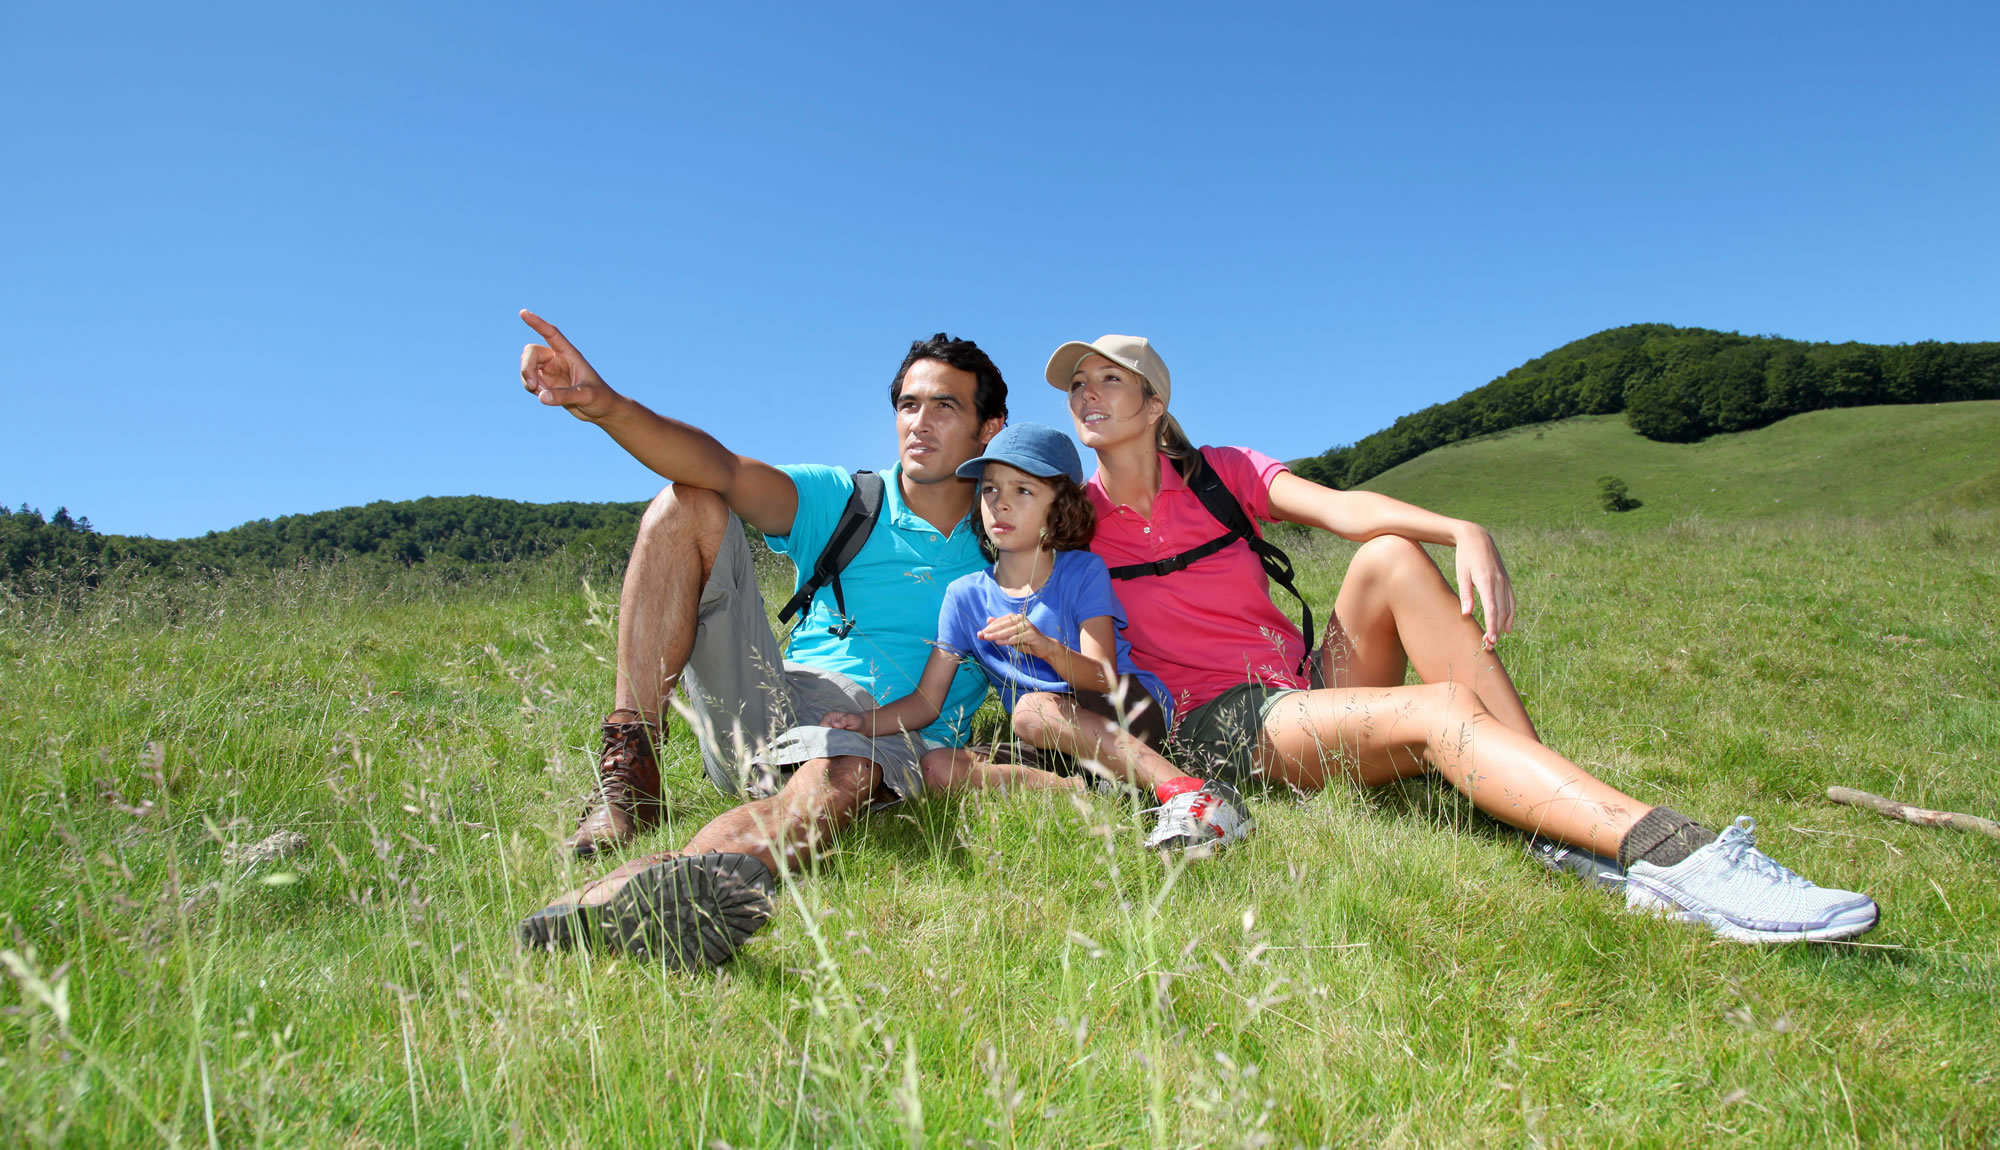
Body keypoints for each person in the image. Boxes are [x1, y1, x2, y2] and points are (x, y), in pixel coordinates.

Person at [1045, 333, 1880, 943]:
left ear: (1155, 404)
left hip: (1305, 686)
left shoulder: (1221, 473)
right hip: (1220, 723)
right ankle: (1675, 852)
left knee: (1391, 558)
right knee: (1443, 708)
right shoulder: (1077, 518)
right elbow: (998, 556)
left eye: (1107, 381)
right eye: (1076, 385)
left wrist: (1459, 527)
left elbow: (1344, 510)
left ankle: (1558, 825)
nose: (1086, 395)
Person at [511, 311, 1069, 969]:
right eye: (908, 404)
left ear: (989, 427)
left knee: (843, 768)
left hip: (887, 735)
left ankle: (659, 891)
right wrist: (608, 407)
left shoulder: (1013, 545)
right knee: (687, 501)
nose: (919, 422)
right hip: (772, 705)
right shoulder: (847, 500)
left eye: (945, 406)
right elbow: (718, 465)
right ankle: (630, 774)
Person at [819, 422, 1253, 852]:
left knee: (1029, 710)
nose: (1000, 504)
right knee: (938, 768)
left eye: (1022, 491)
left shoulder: (1082, 572)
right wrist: (864, 722)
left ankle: (1189, 790)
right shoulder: (964, 596)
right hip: (1045, 741)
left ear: (1060, 507)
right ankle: (1079, 793)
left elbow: (1102, 676)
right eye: (990, 490)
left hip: (1125, 709)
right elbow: (927, 701)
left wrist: (1045, 648)